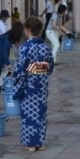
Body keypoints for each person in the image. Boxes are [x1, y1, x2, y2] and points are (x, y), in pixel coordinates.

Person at [12, 17, 54, 152]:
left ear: (28, 30)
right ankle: (40, 143)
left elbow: (20, 69)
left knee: (29, 115)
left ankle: (31, 143)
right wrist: (39, 71)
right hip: (41, 86)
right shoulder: (45, 46)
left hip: (29, 86)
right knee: (41, 114)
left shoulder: (25, 47)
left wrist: (16, 79)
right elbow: (50, 66)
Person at [0, 21, 25, 88]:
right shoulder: (8, 37)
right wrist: (8, 63)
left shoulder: (10, 35)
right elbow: (5, 51)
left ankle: (0, 84)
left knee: (5, 68)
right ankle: (0, 84)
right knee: (6, 67)